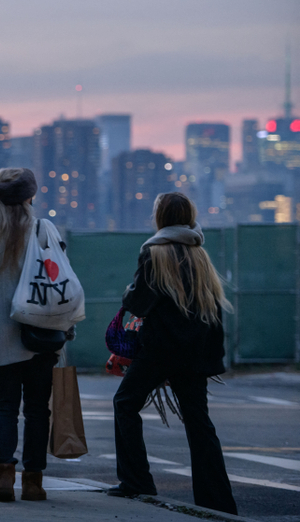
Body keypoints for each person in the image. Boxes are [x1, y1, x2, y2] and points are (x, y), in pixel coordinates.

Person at [109, 192, 237, 514]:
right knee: (198, 422)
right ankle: (216, 500)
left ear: (161, 217)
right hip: (197, 349)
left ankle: (136, 481)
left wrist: (128, 291)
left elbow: (137, 302)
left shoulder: (154, 251)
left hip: (161, 348)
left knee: (125, 404)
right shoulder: (199, 253)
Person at [0, 167, 72, 502]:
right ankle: (34, 481)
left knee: (4, 406)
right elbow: (62, 284)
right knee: (38, 409)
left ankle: (3, 478)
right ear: (30, 197)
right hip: (42, 334)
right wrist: (67, 327)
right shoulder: (44, 230)